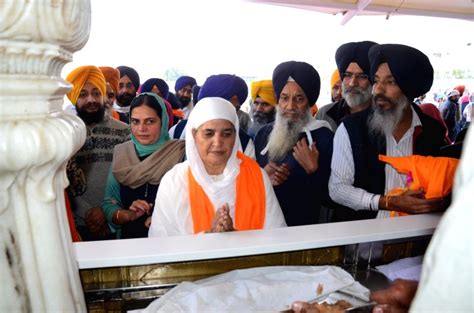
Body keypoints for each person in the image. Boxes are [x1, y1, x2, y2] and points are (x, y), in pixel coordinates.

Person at [329, 44, 447, 222]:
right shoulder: (352, 127)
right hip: (364, 240)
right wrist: (387, 202)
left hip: (415, 237)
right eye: (376, 80)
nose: (378, 90)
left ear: (409, 89)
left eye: (390, 82)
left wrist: (438, 202)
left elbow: (443, 183)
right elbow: (337, 189)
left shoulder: (431, 131)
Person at [148, 97, 286, 237]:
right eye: (209, 134)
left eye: (227, 134)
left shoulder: (257, 177)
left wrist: (234, 237)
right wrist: (209, 235)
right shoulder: (174, 181)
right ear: (194, 135)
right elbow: (161, 243)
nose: (218, 142)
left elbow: (276, 238)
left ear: (235, 135)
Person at [370, 127, 473, 313]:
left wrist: (424, 297)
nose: (378, 95)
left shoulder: (432, 129)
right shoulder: (356, 128)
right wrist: (389, 202)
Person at [254, 61, 334, 226]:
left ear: (309, 102)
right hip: (264, 229)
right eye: (284, 98)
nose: (290, 106)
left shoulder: (324, 137)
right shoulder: (263, 134)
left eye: (299, 99)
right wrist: (262, 176)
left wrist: (314, 170)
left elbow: (332, 200)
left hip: (304, 233)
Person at [102, 93, 185, 239]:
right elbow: (109, 202)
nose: (141, 128)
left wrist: (162, 218)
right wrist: (124, 215)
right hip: (129, 243)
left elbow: (189, 202)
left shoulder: (180, 154)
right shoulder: (122, 153)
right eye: (135, 121)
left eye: (150, 121)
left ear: (163, 121)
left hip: (170, 242)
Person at [65, 65, 129, 240]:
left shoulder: (124, 131)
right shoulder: (64, 134)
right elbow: (63, 182)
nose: (91, 99)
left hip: (114, 220)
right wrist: (87, 212)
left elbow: (128, 177)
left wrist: (105, 210)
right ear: (73, 97)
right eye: (83, 94)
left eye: (96, 93)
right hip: (76, 223)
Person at [169, 74, 256, 158]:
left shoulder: (245, 143)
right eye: (220, 107)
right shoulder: (177, 131)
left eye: (234, 109)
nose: (226, 114)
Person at [316, 41, 376, 132]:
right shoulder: (325, 114)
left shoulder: (385, 116)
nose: (352, 83)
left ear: (373, 80)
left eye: (362, 76)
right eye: (348, 75)